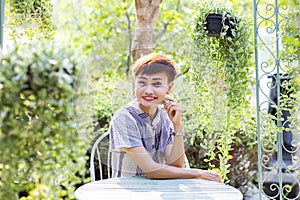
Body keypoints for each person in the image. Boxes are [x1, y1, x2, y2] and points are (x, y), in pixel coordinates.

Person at [109, 53, 221, 182]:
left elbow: (176, 166)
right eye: (142, 83)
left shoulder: (164, 117)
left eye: (156, 84)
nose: (148, 90)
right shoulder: (124, 118)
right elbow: (151, 171)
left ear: (169, 88)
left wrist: (177, 126)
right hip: (127, 194)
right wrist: (198, 173)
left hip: (159, 190)